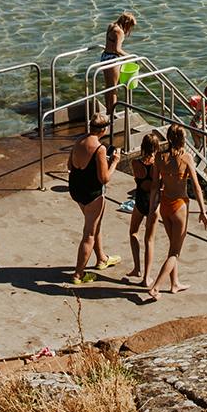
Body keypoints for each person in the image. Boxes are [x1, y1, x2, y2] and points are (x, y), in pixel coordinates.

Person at [139, 126, 207, 303]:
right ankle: (155, 287)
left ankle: (175, 284)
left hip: (164, 205)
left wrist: (151, 209)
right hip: (179, 206)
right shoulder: (186, 158)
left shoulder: (159, 158)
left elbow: (155, 185)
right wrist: (202, 211)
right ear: (182, 139)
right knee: (175, 252)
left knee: (172, 245)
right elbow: (196, 186)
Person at [68, 114, 115, 284]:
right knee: (89, 233)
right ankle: (78, 274)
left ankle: (101, 258)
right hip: (92, 193)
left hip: (76, 189)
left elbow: (69, 165)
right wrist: (114, 162)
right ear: (103, 129)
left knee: (94, 224)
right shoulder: (100, 149)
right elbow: (104, 178)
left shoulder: (78, 140)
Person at [124, 132, 162, 283]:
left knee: (133, 232)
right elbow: (159, 185)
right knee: (149, 240)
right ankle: (147, 277)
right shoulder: (157, 165)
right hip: (154, 204)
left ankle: (137, 268)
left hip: (140, 200)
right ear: (157, 147)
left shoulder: (135, 163)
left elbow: (137, 180)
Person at [98, 12, 136, 121]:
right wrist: (130, 56)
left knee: (108, 86)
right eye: (131, 26)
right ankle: (113, 113)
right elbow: (117, 49)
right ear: (127, 24)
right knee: (114, 88)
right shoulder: (120, 32)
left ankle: (108, 110)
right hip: (112, 60)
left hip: (104, 56)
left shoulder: (111, 26)